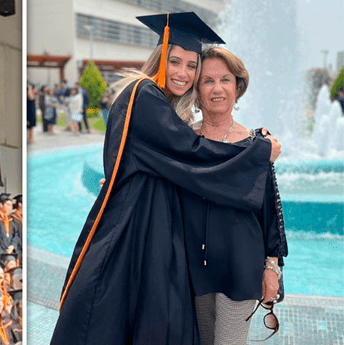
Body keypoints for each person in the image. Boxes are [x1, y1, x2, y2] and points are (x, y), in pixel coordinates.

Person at [50, 12, 282, 345]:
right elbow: (190, 152)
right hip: (136, 228)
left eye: (191, 66)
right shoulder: (144, 95)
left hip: (155, 230)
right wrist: (259, 154)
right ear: (160, 60)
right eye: (175, 62)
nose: (183, 73)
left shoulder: (155, 103)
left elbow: (177, 163)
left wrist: (271, 265)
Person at [181, 47, 288, 344]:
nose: (217, 89)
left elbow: (270, 209)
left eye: (225, 80)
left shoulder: (257, 144)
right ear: (196, 89)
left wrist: (271, 267)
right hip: (191, 267)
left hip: (240, 266)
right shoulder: (183, 141)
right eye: (207, 81)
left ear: (237, 87)